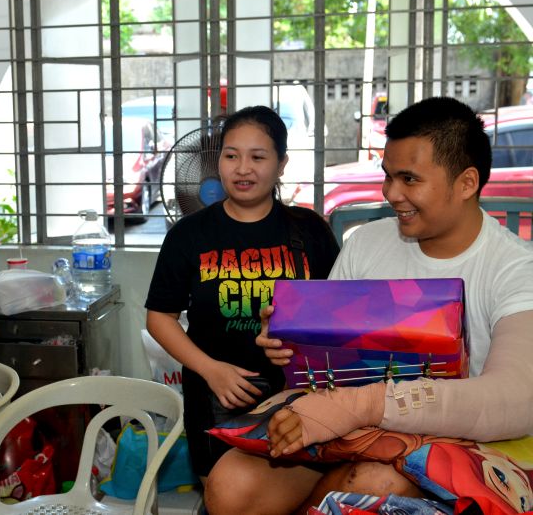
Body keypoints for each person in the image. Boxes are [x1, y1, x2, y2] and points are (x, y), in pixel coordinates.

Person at [204, 96, 533, 515]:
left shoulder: (515, 269)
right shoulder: (367, 243)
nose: (391, 193)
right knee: (231, 484)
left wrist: (359, 406)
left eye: (409, 179)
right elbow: (326, 357)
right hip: (345, 430)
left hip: (452, 440)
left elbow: (514, 398)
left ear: (466, 183)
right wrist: (291, 340)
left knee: (374, 485)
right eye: (387, 176)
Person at [145, 105, 340, 483]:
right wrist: (211, 370)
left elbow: (339, 312)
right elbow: (159, 317)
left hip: (299, 398)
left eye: (258, 157)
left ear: (281, 164)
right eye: (231, 156)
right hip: (216, 398)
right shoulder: (189, 235)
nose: (242, 168)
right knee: (223, 494)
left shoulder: (309, 230)